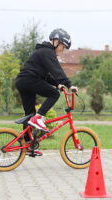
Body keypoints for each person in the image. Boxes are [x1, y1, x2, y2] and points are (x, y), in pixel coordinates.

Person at [15, 28, 78, 156]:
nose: (63, 50)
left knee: (29, 114)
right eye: (63, 46)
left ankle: (28, 146)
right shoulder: (47, 52)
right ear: (56, 42)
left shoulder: (43, 52)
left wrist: (57, 84)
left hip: (23, 81)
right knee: (54, 94)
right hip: (29, 80)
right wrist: (68, 84)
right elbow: (57, 70)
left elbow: (47, 76)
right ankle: (39, 117)